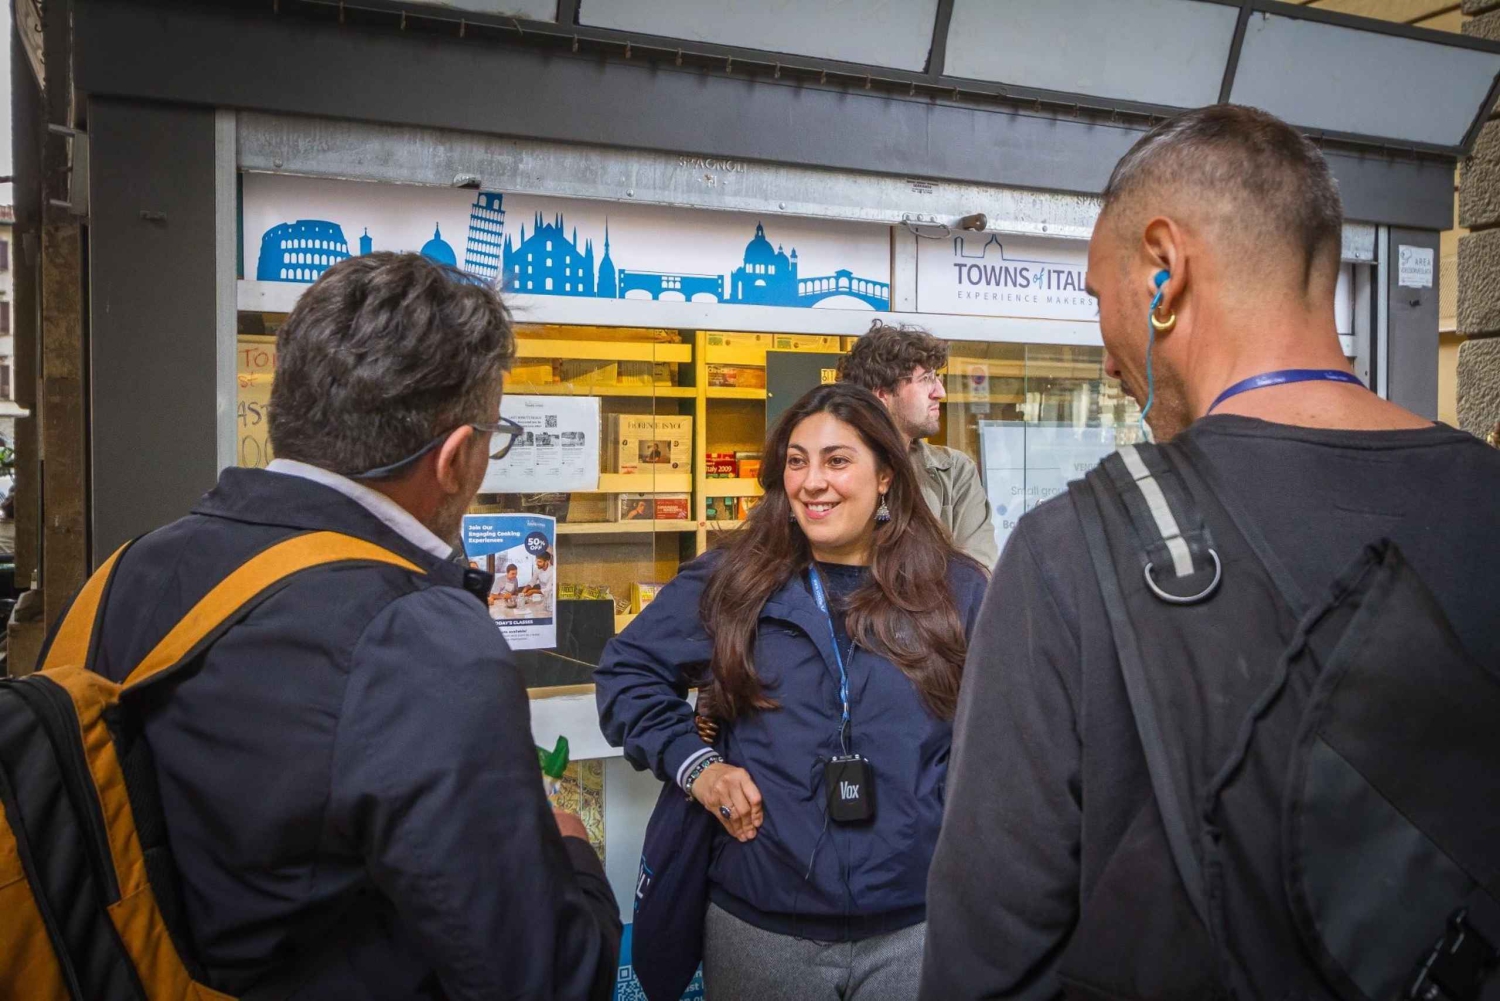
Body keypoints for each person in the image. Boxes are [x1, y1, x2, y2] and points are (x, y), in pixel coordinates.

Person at [921, 105, 1500, 1000]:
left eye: (1094, 296)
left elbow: (986, 963)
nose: (1107, 356)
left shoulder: (1068, 556)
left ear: (1163, 266)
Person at [62, 253, 620, 999]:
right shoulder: (416, 638)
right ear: (456, 457)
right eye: (494, 432)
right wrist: (575, 854)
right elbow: (544, 979)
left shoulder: (126, 572)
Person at [596, 382, 987, 1001]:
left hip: (916, 927)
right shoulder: (736, 579)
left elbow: (1000, 740)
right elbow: (627, 672)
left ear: (886, 474)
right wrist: (698, 769)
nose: (812, 482)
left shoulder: (956, 592)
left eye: (838, 460)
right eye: (797, 461)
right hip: (762, 924)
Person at [837, 321, 998, 568]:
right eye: (926, 379)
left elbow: (979, 575)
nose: (940, 392)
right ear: (882, 395)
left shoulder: (954, 471)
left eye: (937, 378)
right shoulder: (829, 472)